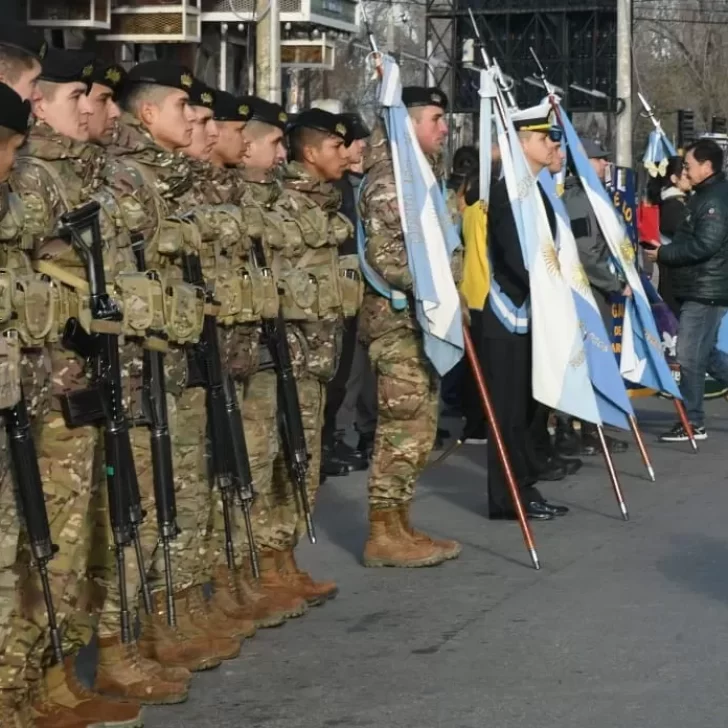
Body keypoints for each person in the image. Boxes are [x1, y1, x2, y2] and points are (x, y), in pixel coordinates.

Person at [10, 47, 145, 728]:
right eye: (75, 97)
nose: (95, 110)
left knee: (71, 538)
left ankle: (53, 675)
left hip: (75, 379)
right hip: (46, 386)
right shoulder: (30, 176)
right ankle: (24, 687)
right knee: (42, 541)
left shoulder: (73, 174)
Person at [112, 60, 242, 671]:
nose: (196, 119)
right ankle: (136, 632)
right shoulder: (123, 178)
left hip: (180, 355)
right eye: (184, 109)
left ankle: (180, 606)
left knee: (185, 485)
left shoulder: (168, 178)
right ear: (148, 114)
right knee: (149, 497)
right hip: (141, 363)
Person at [358, 86, 462, 567]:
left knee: (420, 428)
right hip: (397, 322)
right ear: (410, 122)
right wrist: (437, 284)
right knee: (401, 427)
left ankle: (400, 522)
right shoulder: (389, 180)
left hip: (422, 321)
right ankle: (382, 532)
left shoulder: (419, 177)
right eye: (436, 119)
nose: (444, 128)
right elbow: (388, 257)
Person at [481, 103, 568, 521]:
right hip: (507, 315)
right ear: (519, 143)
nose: (552, 143)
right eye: (543, 137)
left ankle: (525, 484)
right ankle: (507, 496)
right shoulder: (505, 191)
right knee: (510, 413)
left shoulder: (537, 192)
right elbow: (518, 258)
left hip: (536, 315)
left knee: (533, 408)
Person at [645, 139, 728, 441]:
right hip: (701, 286)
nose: (686, 171)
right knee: (702, 355)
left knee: (688, 355)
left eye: (690, 165)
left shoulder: (714, 200)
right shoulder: (704, 195)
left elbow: (706, 244)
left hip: (705, 289)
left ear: (707, 167)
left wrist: (665, 254)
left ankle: (693, 423)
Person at [555, 138, 630, 457]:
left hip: (593, 289)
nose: (605, 165)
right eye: (600, 159)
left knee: (591, 362)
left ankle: (588, 427)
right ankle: (572, 428)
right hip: (585, 291)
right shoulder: (579, 201)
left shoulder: (592, 197)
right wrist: (612, 282)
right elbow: (587, 253)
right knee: (583, 360)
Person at [321, 111, 372, 477]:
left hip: (355, 289)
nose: (360, 149)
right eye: (355, 142)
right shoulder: (334, 188)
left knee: (352, 373)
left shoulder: (358, 184)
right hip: (333, 292)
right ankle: (330, 438)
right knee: (338, 371)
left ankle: (336, 438)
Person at [649, 156, 691, 317]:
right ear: (674, 178)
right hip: (675, 281)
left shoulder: (681, 203)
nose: (689, 176)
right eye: (685, 173)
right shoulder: (673, 206)